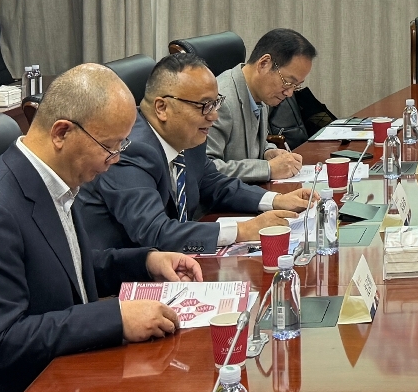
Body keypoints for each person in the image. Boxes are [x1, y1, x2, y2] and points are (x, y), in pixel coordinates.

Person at [0, 64, 203, 392]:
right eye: (109, 147)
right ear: (62, 133)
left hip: (67, 368)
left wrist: (147, 262)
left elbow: (67, 268)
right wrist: (116, 319)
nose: (115, 160)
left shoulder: (55, 179)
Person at [77, 53, 314, 255]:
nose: (214, 116)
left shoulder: (187, 136)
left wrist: (276, 200)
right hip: (123, 279)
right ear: (162, 108)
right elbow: (155, 232)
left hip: (176, 262)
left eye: (216, 103)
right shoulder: (129, 150)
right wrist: (243, 230)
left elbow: (215, 184)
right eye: (204, 106)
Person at [209, 28, 316, 183]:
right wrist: (267, 169)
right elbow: (207, 169)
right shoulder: (219, 101)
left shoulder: (260, 93)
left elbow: (251, 144)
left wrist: (269, 152)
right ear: (264, 63)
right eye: (288, 82)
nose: (289, 93)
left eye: (296, 86)